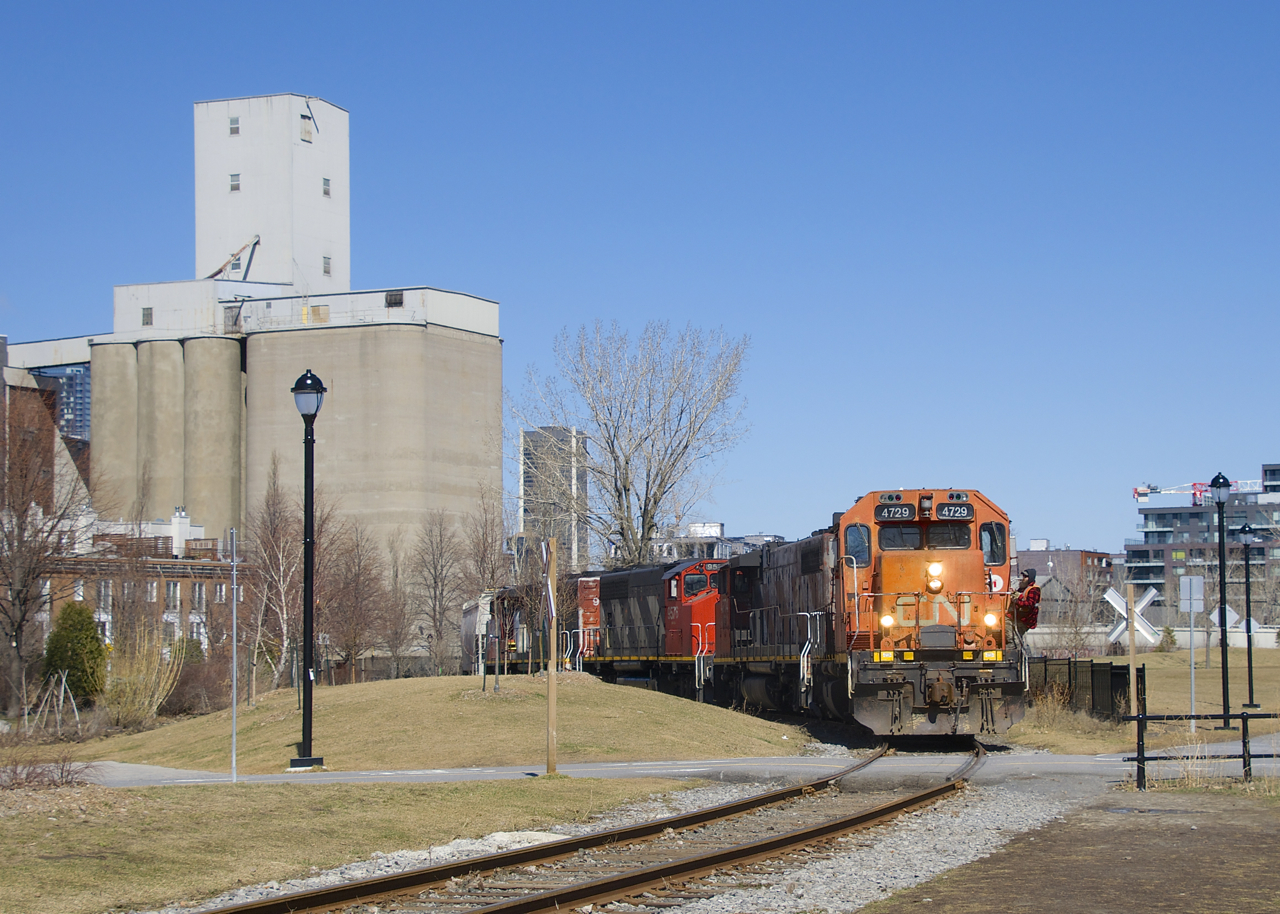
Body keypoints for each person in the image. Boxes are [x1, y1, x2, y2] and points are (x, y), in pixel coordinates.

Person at [1012, 569, 1041, 637]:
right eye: (1023, 576)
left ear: (1030, 578)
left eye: (1025, 577)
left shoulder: (1034, 589)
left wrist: (1016, 602)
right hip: (1020, 617)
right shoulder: (1024, 588)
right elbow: (1021, 596)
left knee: (1015, 637)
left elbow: (1030, 604)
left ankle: (1015, 646)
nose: (1023, 578)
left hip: (1027, 618)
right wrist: (1014, 593)